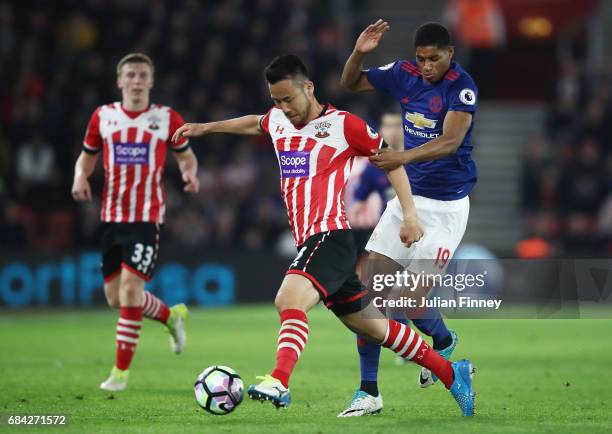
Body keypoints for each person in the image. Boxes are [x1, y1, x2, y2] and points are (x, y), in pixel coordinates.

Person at [173, 54, 475, 416]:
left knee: (289, 299)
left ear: (308, 88)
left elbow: (390, 161)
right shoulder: (278, 122)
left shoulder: (343, 125)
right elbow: (254, 123)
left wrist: (409, 214)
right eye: (276, 101)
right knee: (378, 328)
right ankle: (451, 373)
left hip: (329, 236)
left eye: (289, 99)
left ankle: (279, 381)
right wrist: (203, 128)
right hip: (311, 241)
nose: (284, 108)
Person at [338, 21, 478, 416]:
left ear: (450, 54)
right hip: (406, 199)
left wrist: (401, 157)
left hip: (447, 207)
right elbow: (350, 84)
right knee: (370, 297)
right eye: (422, 58)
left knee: (410, 300)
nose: (427, 65)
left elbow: (450, 143)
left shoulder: (461, 87)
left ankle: (445, 341)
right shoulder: (404, 74)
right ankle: (369, 392)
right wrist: (360, 51)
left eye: (435, 58)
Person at [71, 53, 200, 392]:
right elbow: (86, 158)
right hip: (112, 218)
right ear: (120, 81)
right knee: (115, 297)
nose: (137, 80)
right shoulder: (103, 117)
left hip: (146, 217)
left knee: (130, 291)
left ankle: (120, 374)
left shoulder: (166, 118)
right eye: (131, 75)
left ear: (152, 81)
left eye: (143, 74)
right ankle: (170, 316)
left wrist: (189, 174)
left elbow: (186, 155)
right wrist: (79, 178)